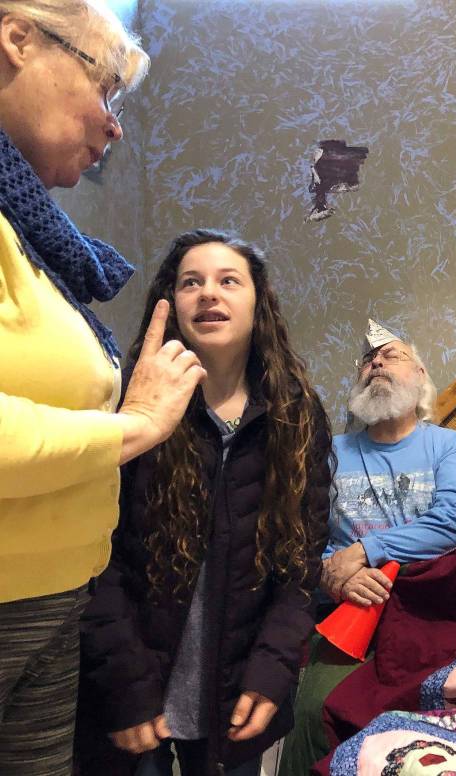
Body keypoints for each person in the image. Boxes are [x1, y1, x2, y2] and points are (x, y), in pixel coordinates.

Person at [0, 4, 204, 773]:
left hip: (51, 601)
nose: (114, 125)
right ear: (17, 38)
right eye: (104, 86)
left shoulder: (26, 226)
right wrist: (135, 425)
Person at [76, 230, 333, 776]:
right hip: (132, 687)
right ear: (170, 303)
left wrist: (273, 670)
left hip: (238, 688)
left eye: (227, 281)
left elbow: (300, 567)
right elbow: (97, 561)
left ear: (258, 303)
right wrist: (123, 682)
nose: (208, 294)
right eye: (191, 282)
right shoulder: (128, 407)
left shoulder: (297, 415)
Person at [278, 319, 456, 776]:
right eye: (369, 360)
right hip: (346, 615)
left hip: (433, 616)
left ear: (421, 376)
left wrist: (365, 551)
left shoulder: (450, 447)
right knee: (315, 714)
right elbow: (292, 541)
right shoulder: (326, 452)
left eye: (392, 356)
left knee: (433, 733)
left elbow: (454, 525)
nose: (376, 363)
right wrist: (338, 574)